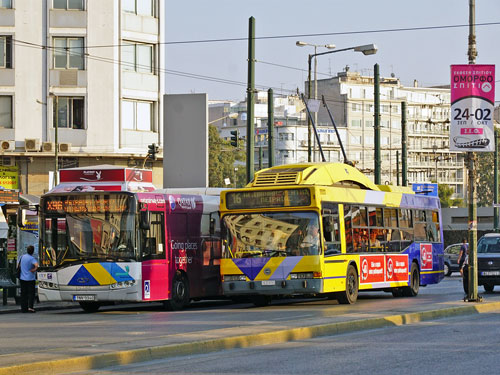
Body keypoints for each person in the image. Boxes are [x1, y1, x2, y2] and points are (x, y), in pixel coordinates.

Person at [18, 245, 38, 313]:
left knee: (23, 293)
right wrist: (33, 269)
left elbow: (19, 266)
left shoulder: (22, 257)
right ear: (32, 251)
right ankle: (30, 307)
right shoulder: (32, 258)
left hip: (22, 278)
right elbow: (36, 265)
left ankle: (23, 308)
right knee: (31, 293)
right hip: (30, 278)